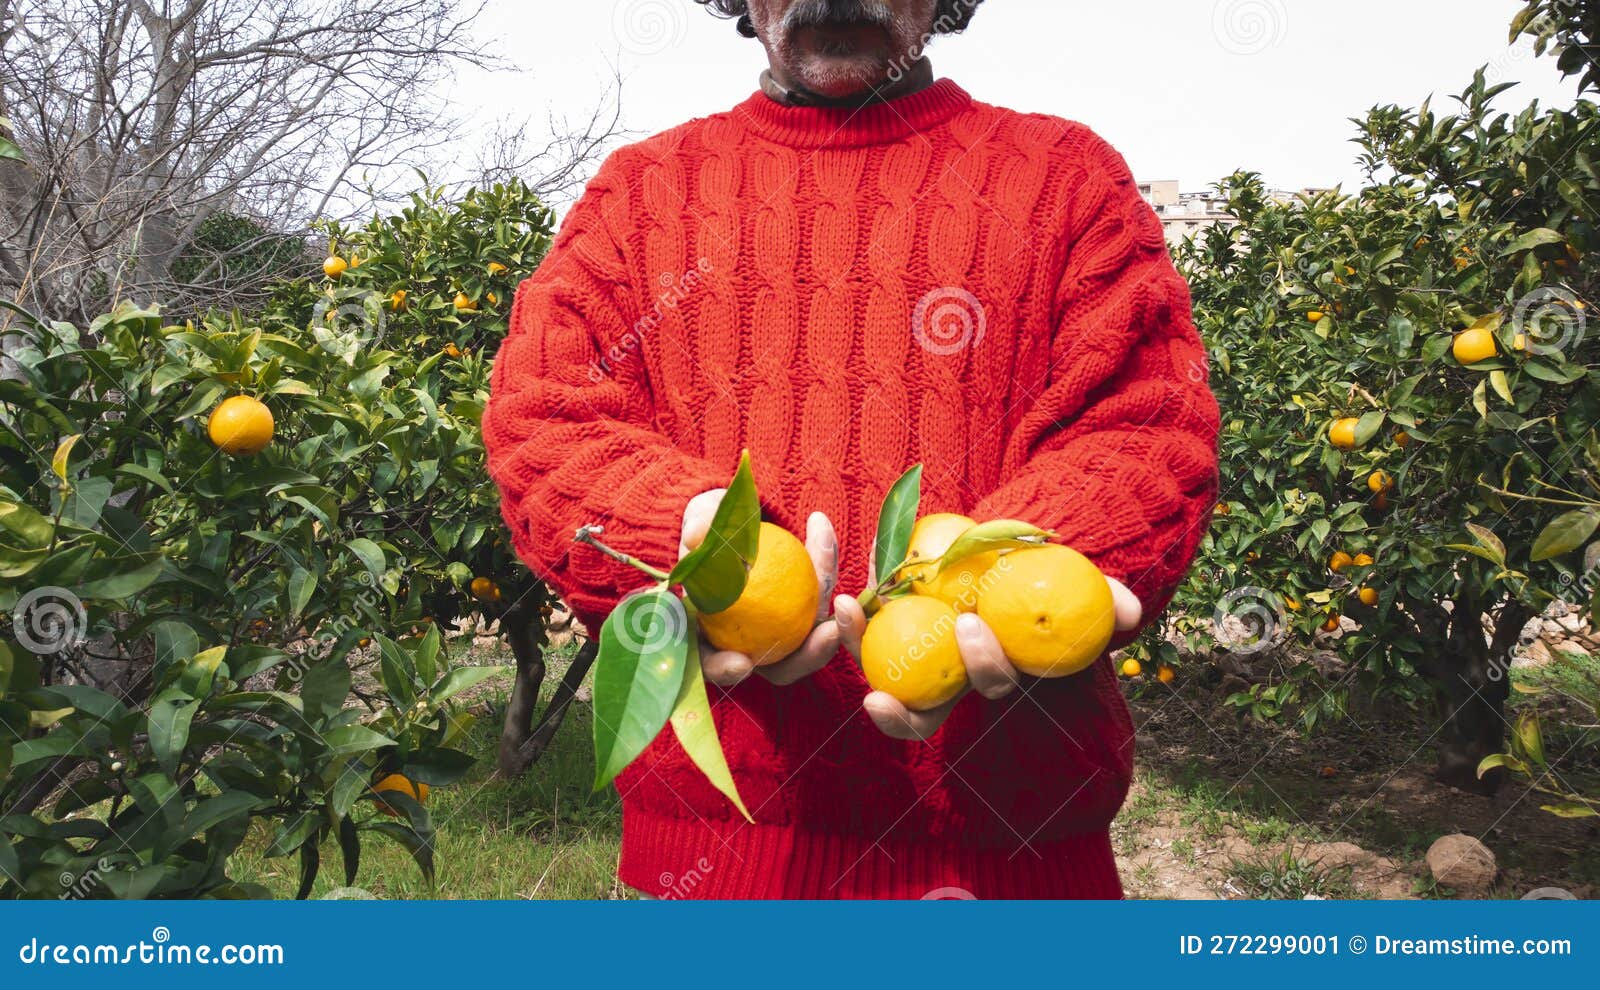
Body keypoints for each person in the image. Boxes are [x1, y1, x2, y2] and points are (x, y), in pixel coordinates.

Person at [483, 0, 1219, 898]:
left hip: (1013, 857)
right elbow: (544, 415)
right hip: (717, 867)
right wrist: (690, 540)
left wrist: (1000, 581)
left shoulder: (1065, 179)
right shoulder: (643, 192)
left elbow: (1145, 422)